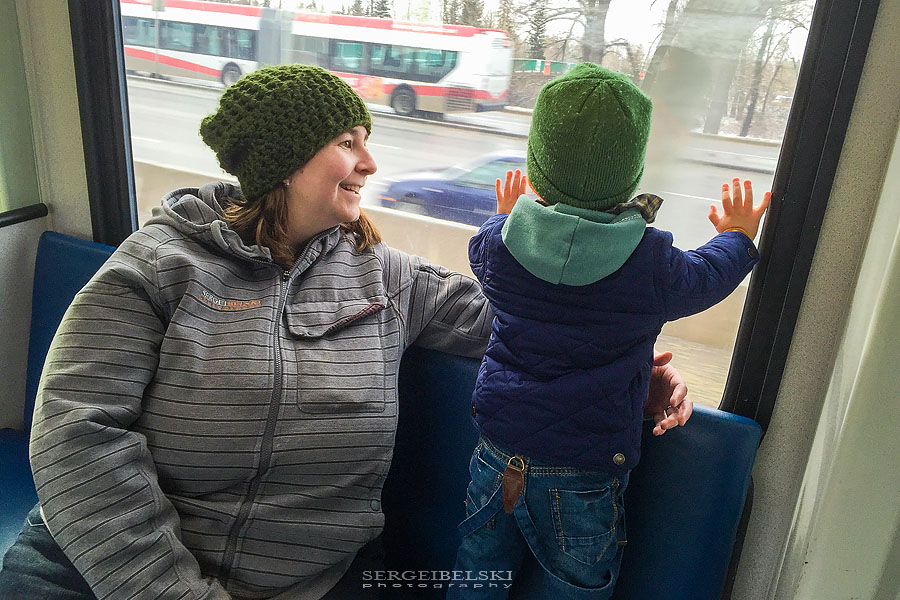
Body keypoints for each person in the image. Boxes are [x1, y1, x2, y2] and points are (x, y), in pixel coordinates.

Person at [0, 64, 693, 600]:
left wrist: (635, 371)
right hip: (98, 574)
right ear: (284, 160)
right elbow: (76, 435)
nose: (369, 164)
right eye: (347, 143)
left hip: (308, 583)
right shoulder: (159, 266)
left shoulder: (390, 279)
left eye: (368, 143)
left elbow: (524, 330)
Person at [449, 62, 770, 599]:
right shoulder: (651, 265)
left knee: (476, 573)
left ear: (538, 165)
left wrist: (506, 212)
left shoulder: (499, 247)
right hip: (585, 475)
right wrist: (737, 235)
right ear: (630, 174)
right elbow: (709, 277)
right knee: (576, 585)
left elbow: (483, 246)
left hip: (497, 453)